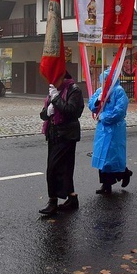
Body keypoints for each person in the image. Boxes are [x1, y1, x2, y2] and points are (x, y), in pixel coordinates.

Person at [39, 70, 84, 215]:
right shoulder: (55, 91)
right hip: (53, 134)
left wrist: (56, 99)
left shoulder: (74, 90)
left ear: (63, 78)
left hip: (67, 134)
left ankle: (53, 201)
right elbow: (43, 114)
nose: (52, 83)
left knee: (53, 168)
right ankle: (72, 198)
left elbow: (72, 111)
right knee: (66, 167)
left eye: (55, 79)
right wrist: (48, 111)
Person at [88, 69, 132, 195]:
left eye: (107, 79)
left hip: (114, 129)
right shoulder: (100, 91)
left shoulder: (118, 91)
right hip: (102, 130)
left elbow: (120, 111)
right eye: (104, 79)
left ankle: (124, 173)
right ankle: (105, 184)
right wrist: (98, 100)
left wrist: (105, 116)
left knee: (112, 157)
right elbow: (91, 104)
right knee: (103, 156)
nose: (105, 82)